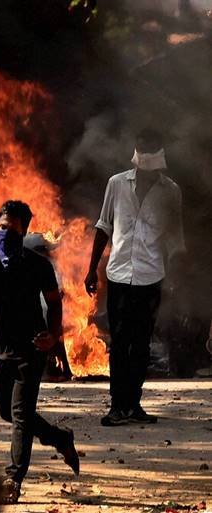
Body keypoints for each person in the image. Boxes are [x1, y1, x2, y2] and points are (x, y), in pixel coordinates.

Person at [0, 200, 79, 504]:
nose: (5, 232)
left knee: (21, 414)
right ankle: (59, 438)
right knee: (7, 410)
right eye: (1, 226)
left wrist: (54, 337)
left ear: (24, 231)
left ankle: (13, 478)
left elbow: (54, 301)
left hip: (30, 350)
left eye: (12, 228)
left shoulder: (37, 264)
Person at [85, 128, 186, 427]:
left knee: (141, 344)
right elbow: (103, 227)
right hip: (118, 275)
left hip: (152, 276)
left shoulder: (171, 191)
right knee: (119, 343)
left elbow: (175, 238)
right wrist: (92, 270)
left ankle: (134, 404)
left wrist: (175, 276)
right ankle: (118, 406)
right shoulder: (116, 184)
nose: (146, 176)